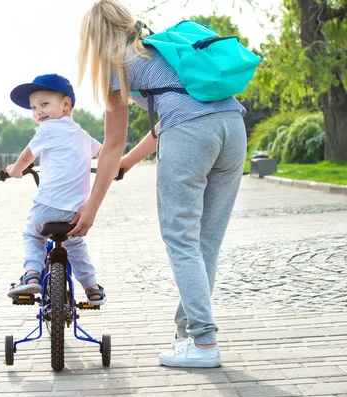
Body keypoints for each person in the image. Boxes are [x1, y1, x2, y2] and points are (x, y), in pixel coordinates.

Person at [71, 0, 248, 368]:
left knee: (180, 237)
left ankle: (204, 343)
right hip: (232, 127)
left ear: (95, 37)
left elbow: (112, 142)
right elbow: (174, 112)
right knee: (205, 240)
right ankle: (188, 333)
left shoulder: (119, 64)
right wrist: (129, 164)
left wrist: (90, 208)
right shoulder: (163, 49)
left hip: (192, 134)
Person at [5, 73, 106, 306]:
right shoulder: (83, 135)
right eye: (33, 108)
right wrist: (118, 168)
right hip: (76, 213)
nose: (38, 112)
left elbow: (27, 156)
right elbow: (105, 154)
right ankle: (92, 288)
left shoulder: (47, 129)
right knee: (76, 244)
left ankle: (32, 274)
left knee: (32, 234)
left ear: (66, 104)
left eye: (44, 104)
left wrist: (15, 170)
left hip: (46, 208)